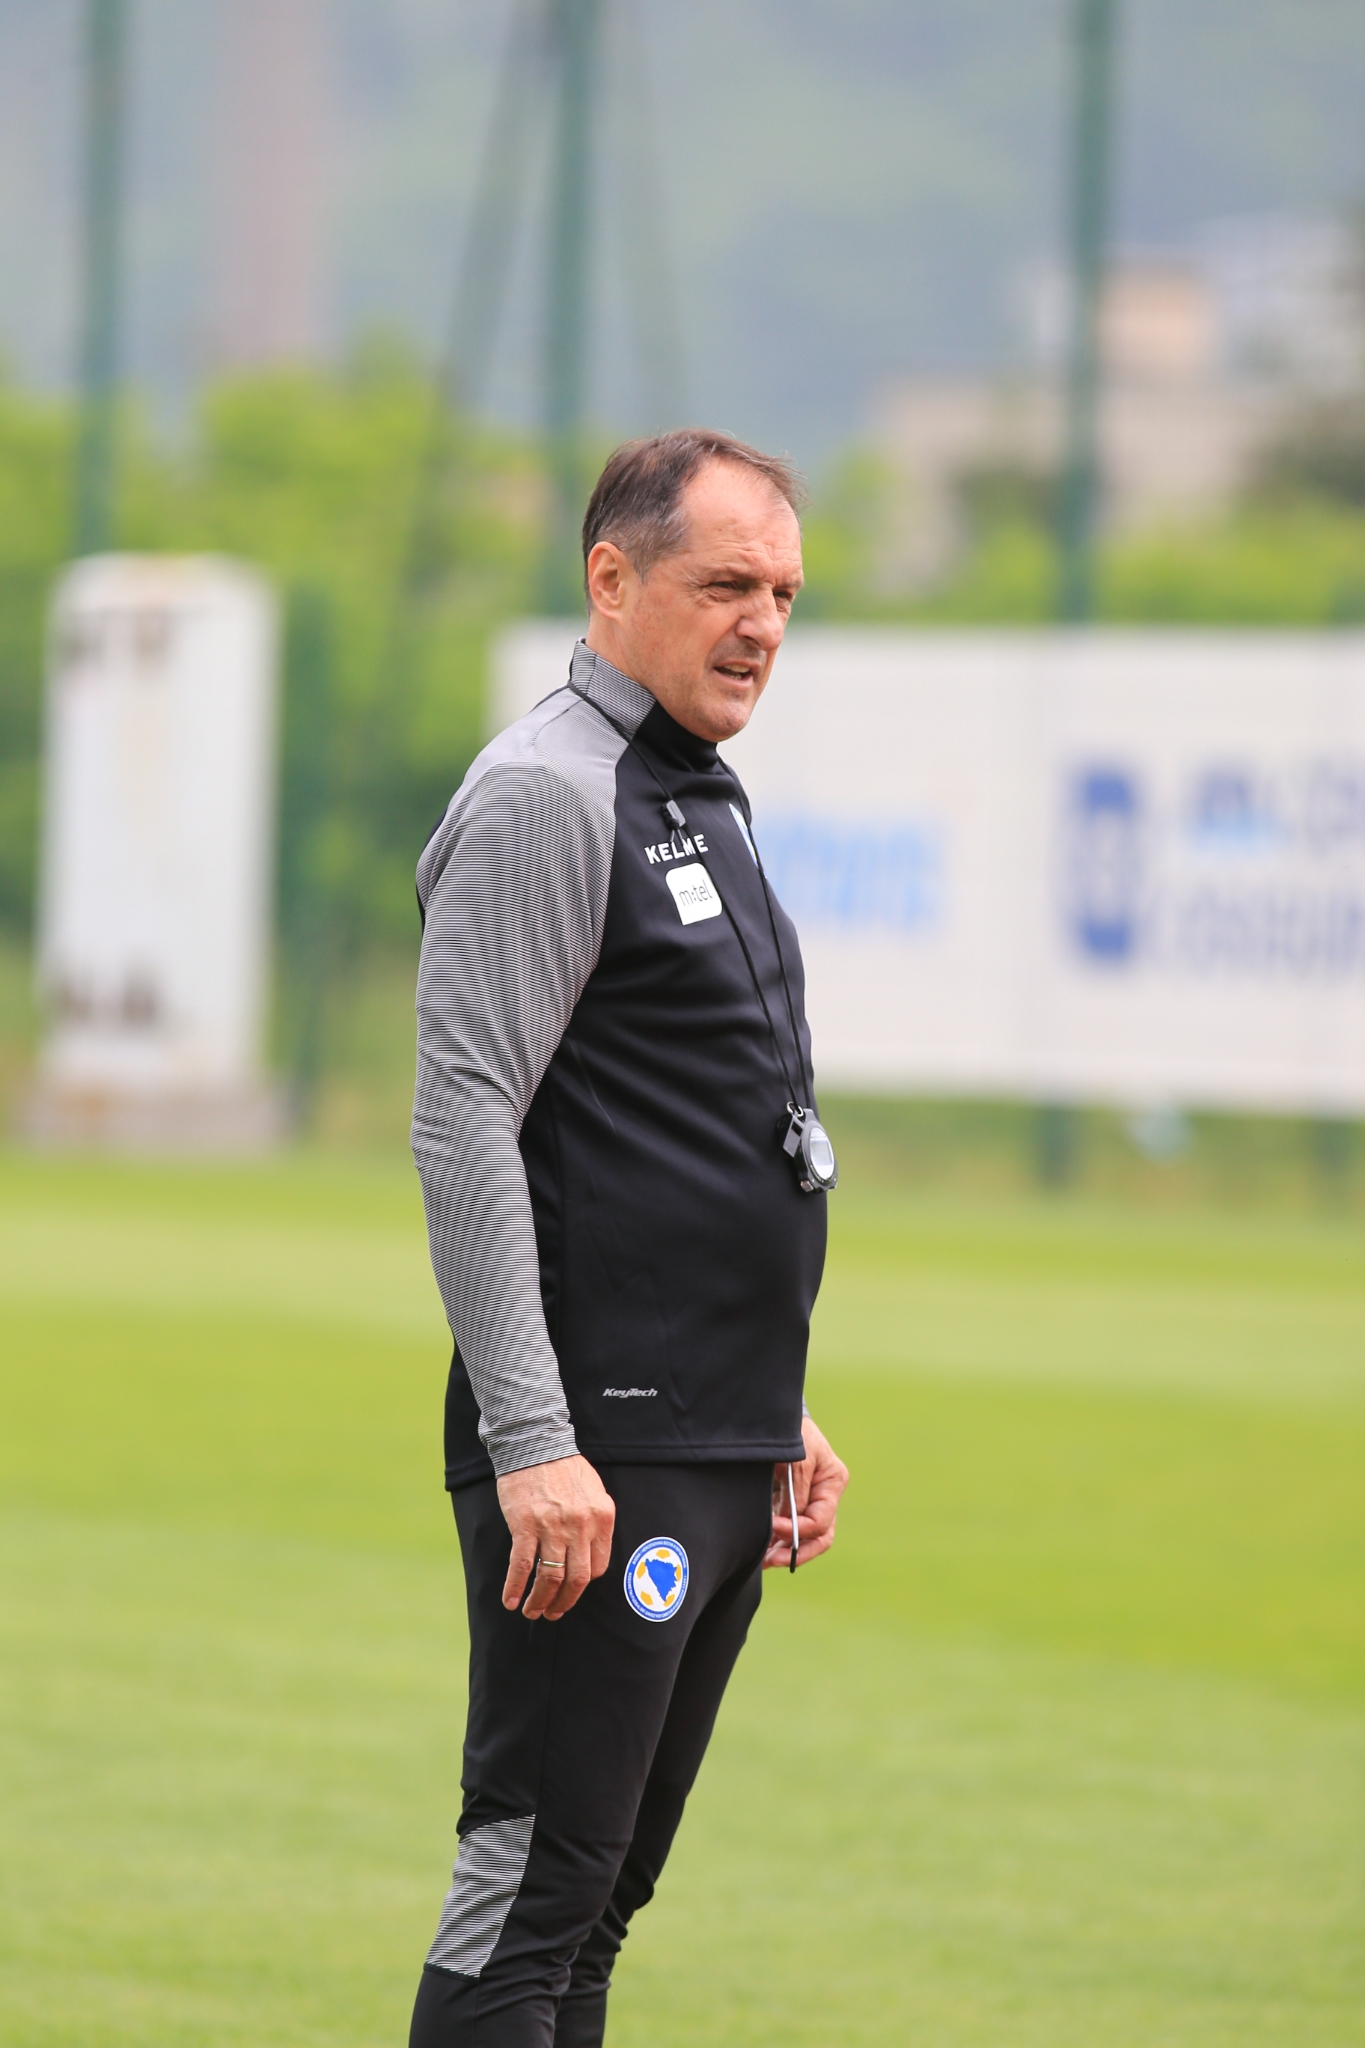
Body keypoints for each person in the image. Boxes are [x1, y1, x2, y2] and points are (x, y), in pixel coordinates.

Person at [408, 428, 849, 2048]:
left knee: (591, 1920)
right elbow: (462, 1118)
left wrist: (773, 1402)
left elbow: (687, 1130)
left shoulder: (690, 787)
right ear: (611, 578)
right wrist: (533, 1438)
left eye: (783, 593)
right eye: (726, 583)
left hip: (710, 1444)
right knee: (525, 1909)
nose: (761, 625)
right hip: (595, 1457)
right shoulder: (547, 791)